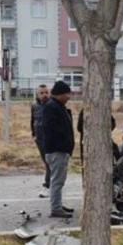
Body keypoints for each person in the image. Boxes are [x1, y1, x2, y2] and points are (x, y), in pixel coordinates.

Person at [43, 80, 75, 218]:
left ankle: (57, 204)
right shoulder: (52, 107)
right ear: (60, 94)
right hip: (57, 150)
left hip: (59, 150)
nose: (69, 97)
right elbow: (53, 129)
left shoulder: (57, 106)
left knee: (59, 180)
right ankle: (56, 208)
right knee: (57, 181)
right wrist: (64, 142)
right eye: (67, 94)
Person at [31, 84, 50, 198]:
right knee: (47, 163)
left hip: (51, 139)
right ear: (38, 94)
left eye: (46, 92)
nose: (44, 95)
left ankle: (48, 186)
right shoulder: (35, 106)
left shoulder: (53, 105)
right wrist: (34, 134)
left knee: (50, 163)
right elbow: (33, 121)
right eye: (42, 93)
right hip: (40, 139)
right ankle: (52, 185)